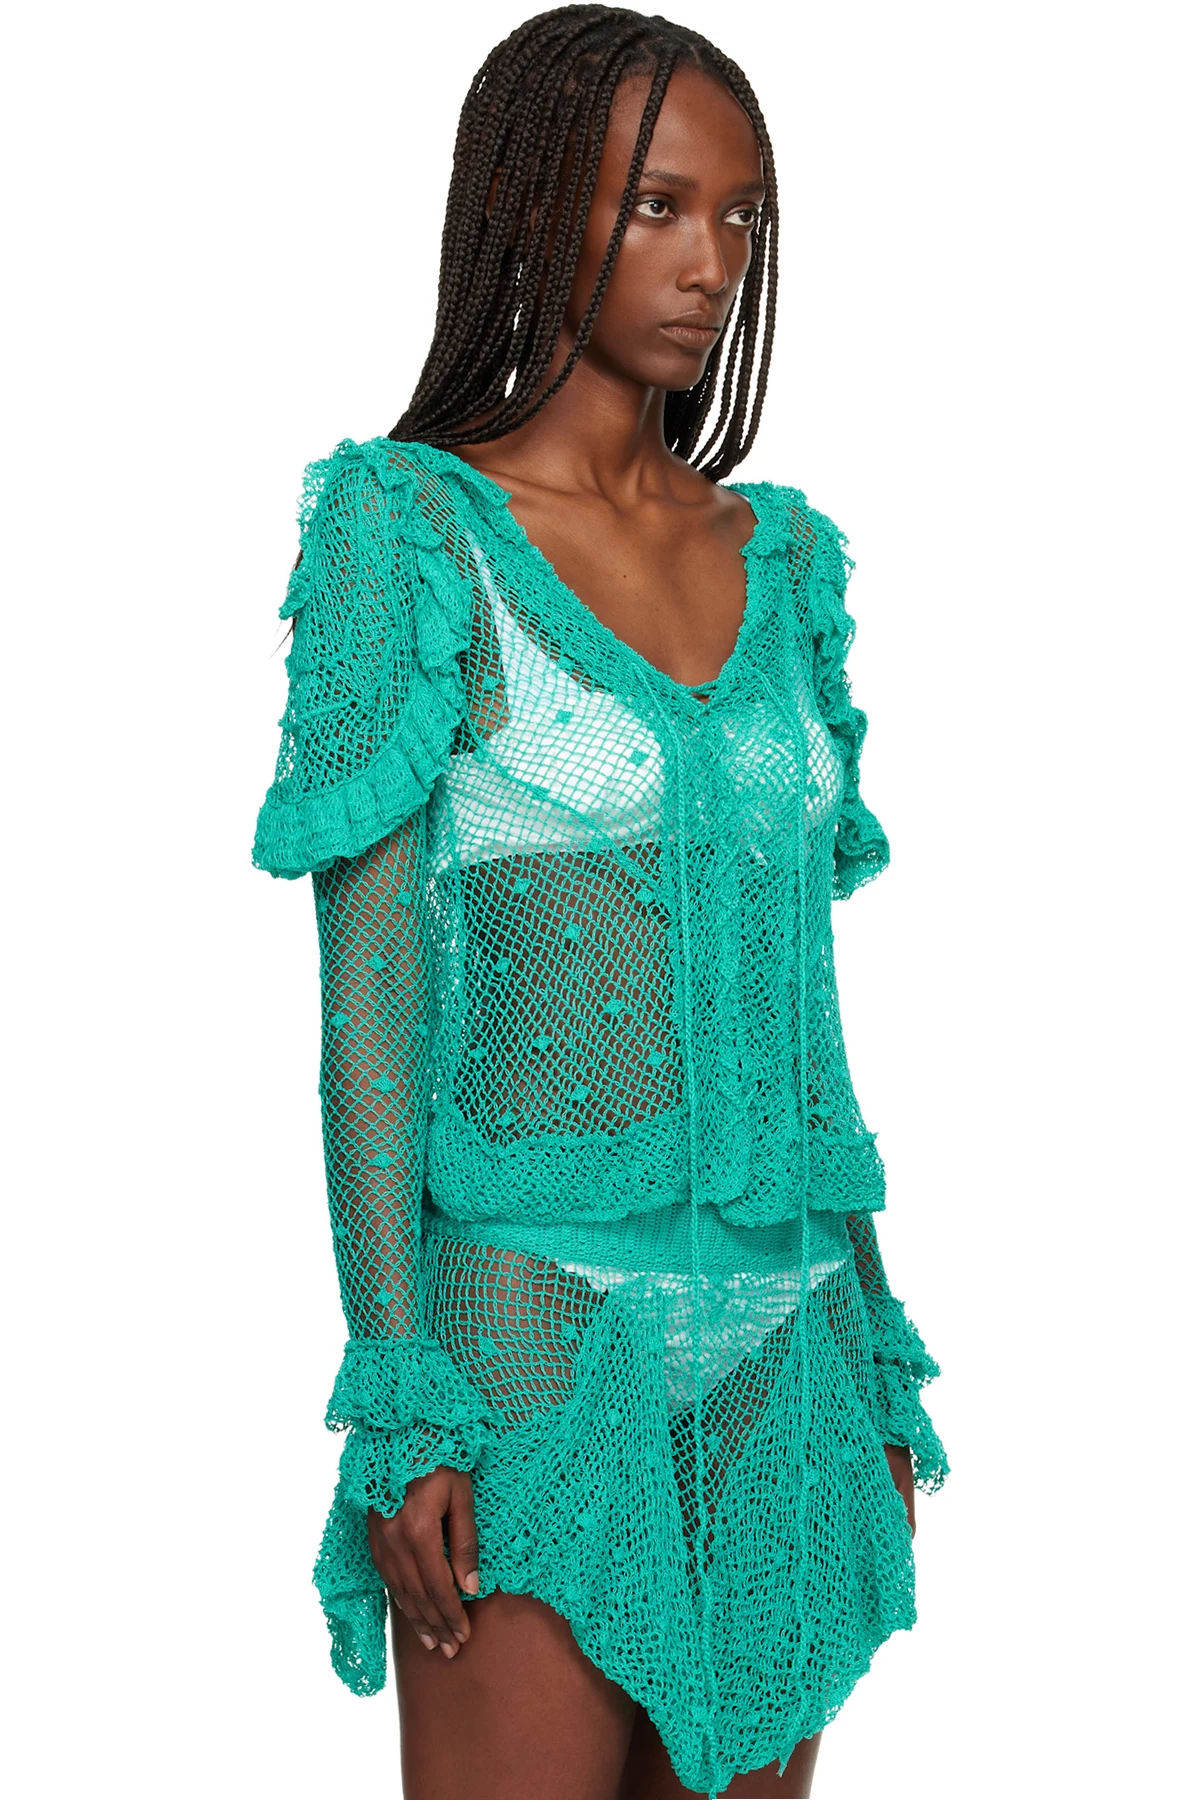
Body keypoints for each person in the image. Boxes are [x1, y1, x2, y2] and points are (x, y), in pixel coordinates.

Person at [251, 8, 949, 1797]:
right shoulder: (408, 535)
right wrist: (396, 1383)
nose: (711, 262)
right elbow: (372, 1005)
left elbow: (804, 1006)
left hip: (794, 1345)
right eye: (658, 206)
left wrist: (876, 1343)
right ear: (530, 205)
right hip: (531, 1341)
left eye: (742, 218)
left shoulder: (782, 559)